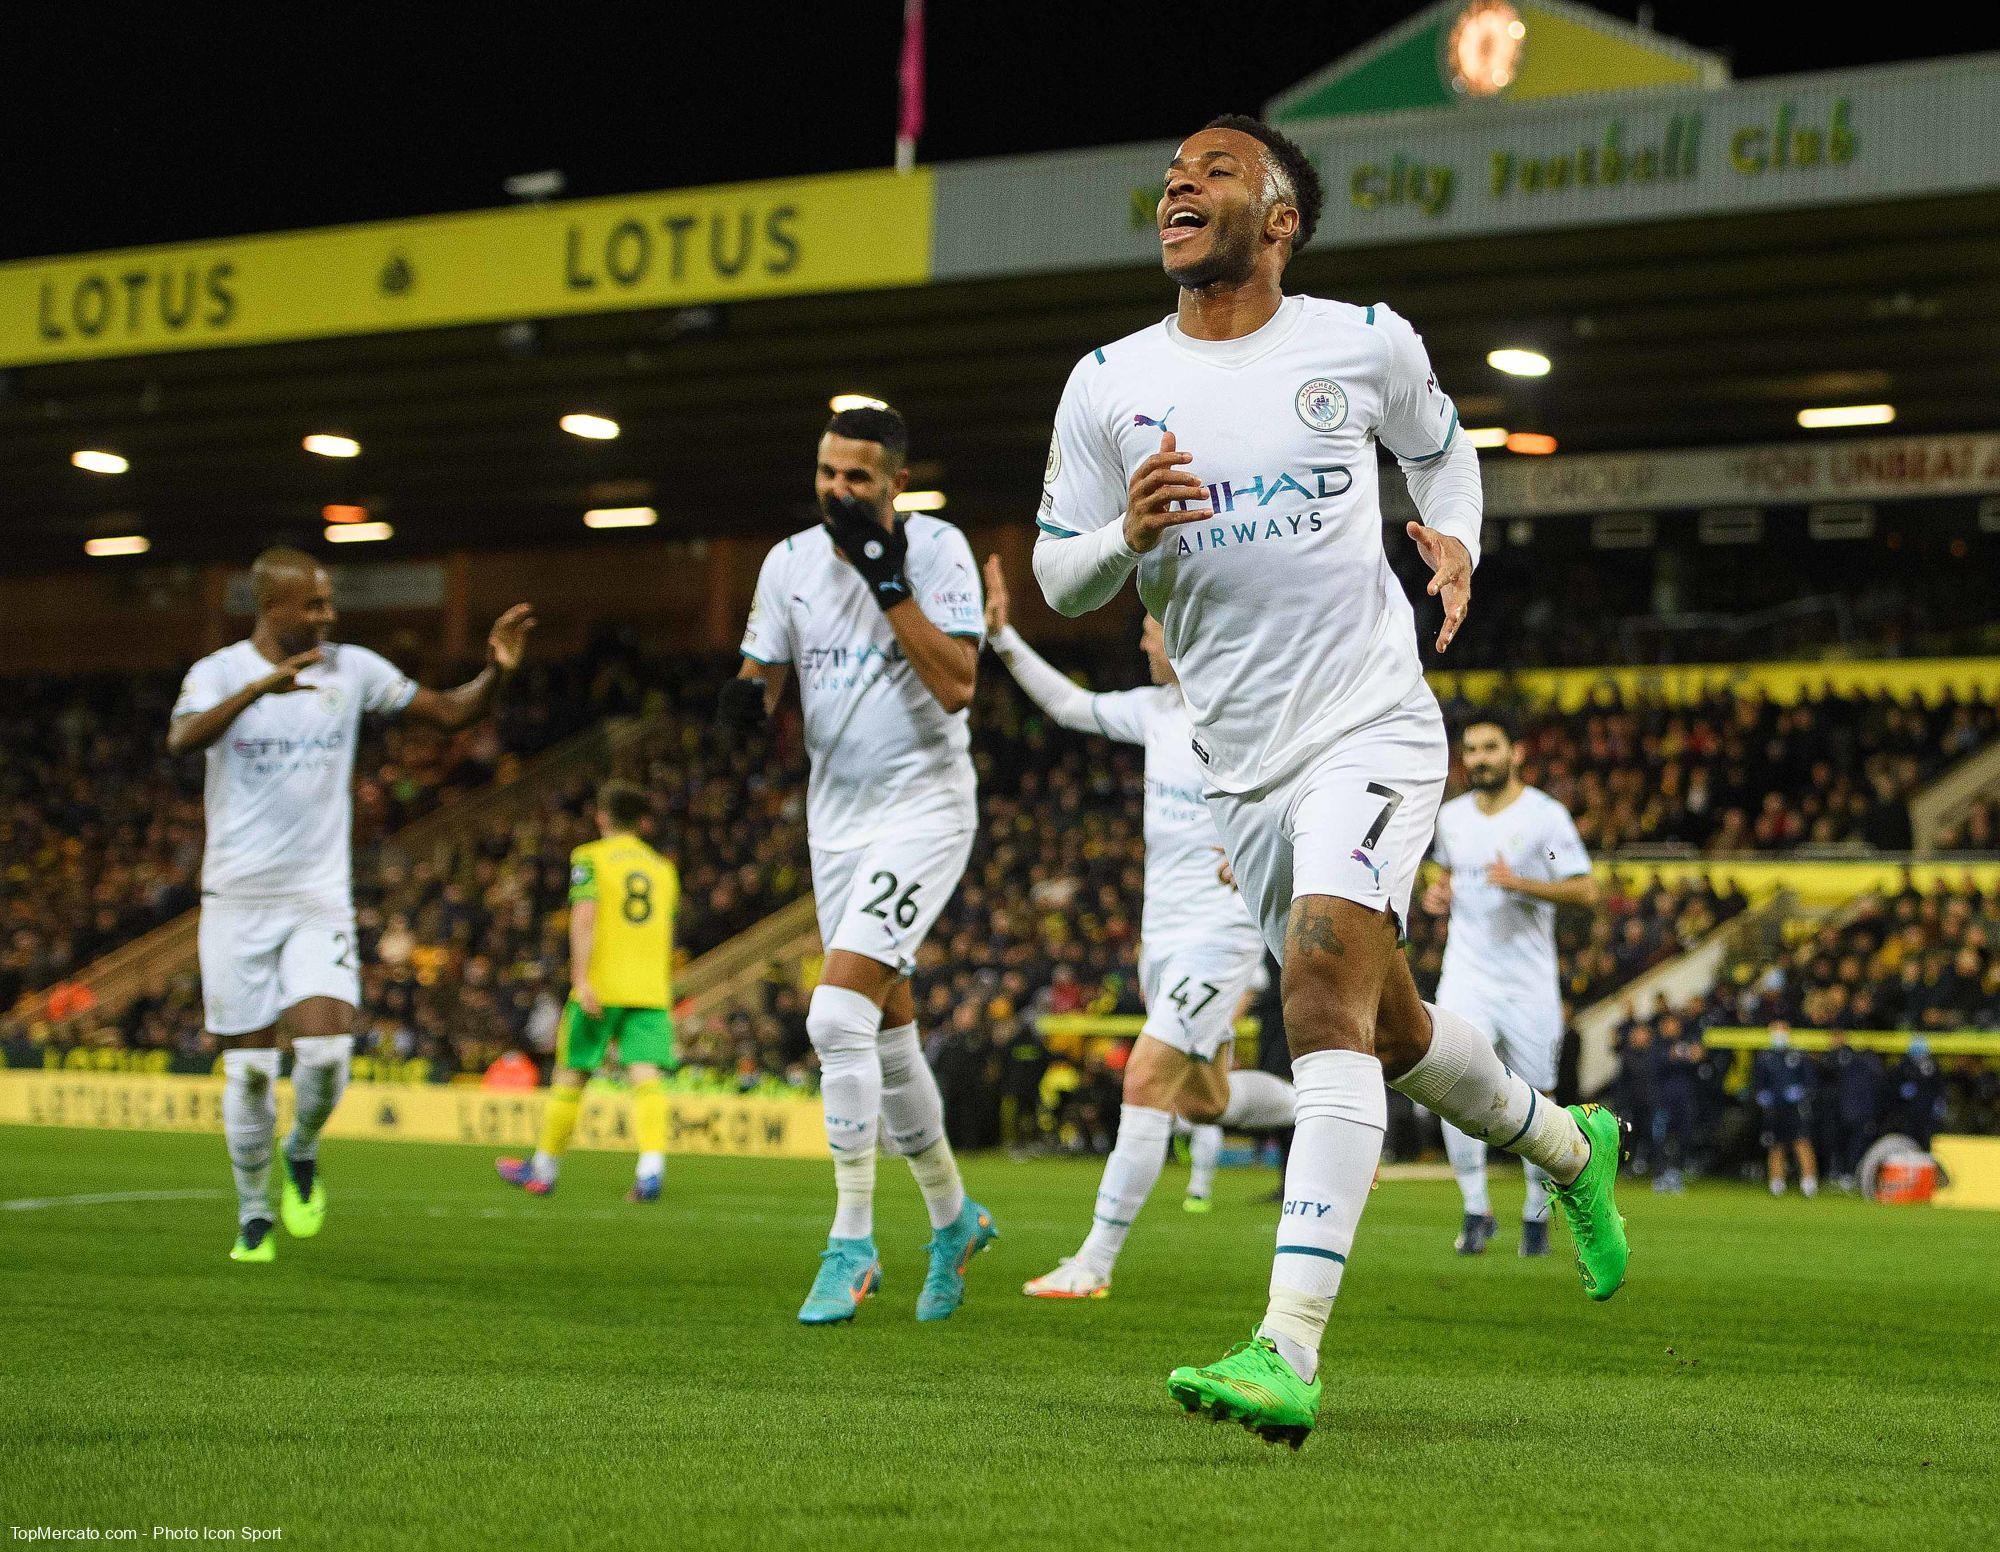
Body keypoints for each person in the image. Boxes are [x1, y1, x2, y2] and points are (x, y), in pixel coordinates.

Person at [1030, 114, 1628, 1447]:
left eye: (1214, 169)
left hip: (1371, 726)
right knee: (1391, 1032)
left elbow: (1446, 446)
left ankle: (1285, 1348)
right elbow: (1058, 571)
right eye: (1171, 172)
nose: (1179, 183)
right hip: (1240, 770)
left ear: (1280, 220)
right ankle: (1571, 1148)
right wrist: (1121, 535)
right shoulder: (1107, 382)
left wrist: (1457, 544)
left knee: (1315, 997)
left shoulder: (1360, 341)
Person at [168, 547, 533, 1262]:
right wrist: (261, 691)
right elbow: (182, 738)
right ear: (268, 606)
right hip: (236, 898)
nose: (326, 616)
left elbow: (448, 713)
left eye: (328, 603)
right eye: (312, 605)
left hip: (316, 895)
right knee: (247, 1070)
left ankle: (300, 1150)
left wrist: (497, 675)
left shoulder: (351, 668)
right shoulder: (216, 674)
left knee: (328, 1054)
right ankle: (253, 1215)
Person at [720, 403, 997, 1324]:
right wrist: (746, 700)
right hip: (835, 821)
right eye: (828, 473)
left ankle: (850, 1241)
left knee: (835, 1015)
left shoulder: (939, 549)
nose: (838, 490)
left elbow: (958, 684)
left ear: (895, 483)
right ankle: (955, 1219)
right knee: (884, 1035)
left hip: (922, 809)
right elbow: (762, 670)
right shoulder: (789, 562)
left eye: (858, 478)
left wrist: (888, 585)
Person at [983, 560, 1295, 1299]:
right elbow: (1068, 706)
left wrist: (1265, 848)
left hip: (1223, 936)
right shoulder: (1156, 714)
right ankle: (1324, 1110)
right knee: (1204, 1101)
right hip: (1164, 941)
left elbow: (1303, 790)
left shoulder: (1245, 713)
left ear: (1182, 639)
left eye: (1151, 632)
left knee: (1146, 1076)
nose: (1144, 645)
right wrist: (1003, 640)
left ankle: (1093, 1262)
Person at [1423, 716, 1599, 1255]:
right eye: (1471, 749)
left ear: (1516, 753)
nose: (1478, 758)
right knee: (1450, 1085)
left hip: (1527, 983)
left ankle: (1534, 1214)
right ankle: (1476, 1209)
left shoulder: (1544, 821)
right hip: (1467, 976)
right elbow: (1443, 872)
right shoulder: (1451, 818)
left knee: (1537, 1096)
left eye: (1490, 748)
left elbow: (1584, 889)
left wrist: (1518, 883)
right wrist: (1438, 894)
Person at [495, 780, 679, 1201]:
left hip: (602, 984)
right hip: (650, 988)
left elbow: (584, 918)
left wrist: (581, 979)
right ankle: (650, 1169)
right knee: (645, 1075)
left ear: (601, 817)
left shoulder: (590, 858)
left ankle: (543, 1168)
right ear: (643, 822)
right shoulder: (663, 870)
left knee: (571, 1074)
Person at [1752, 1022, 1819, 1196]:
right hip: (1774, 1108)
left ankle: (1809, 1182)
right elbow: (1758, 1084)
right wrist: (1762, 1095)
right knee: (1775, 1145)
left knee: (1801, 1142)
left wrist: (1801, 1092)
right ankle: (1776, 1183)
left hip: (1796, 1108)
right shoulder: (1764, 1057)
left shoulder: (1798, 1055)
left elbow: (1811, 1082)